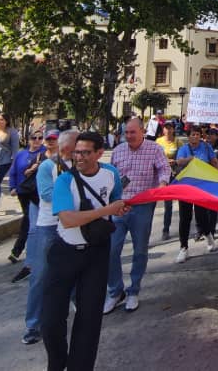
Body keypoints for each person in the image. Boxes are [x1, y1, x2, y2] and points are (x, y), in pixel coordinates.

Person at [42, 131, 126, 371]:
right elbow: (67, 219)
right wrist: (107, 210)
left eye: (85, 152)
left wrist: (118, 209)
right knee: (50, 321)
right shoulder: (64, 181)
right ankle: (57, 363)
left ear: (99, 152)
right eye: (77, 152)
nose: (79, 157)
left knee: (89, 319)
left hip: (97, 252)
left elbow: (116, 200)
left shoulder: (111, 174)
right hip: (65, 252)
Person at [105, 117, 171, 314]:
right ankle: (115, 291)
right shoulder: (117, 151)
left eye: (132, 132)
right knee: (110, 250)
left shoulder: (154, 149)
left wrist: (162, 184)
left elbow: (164, 169)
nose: (129, 136)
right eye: (126, 133)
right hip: (119, 206)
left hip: (142, 206)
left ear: (143, 131)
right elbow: (111, 177)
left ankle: (133, 290)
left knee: (140, 249)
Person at [22, 129, 74, 346]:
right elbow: (46, 194)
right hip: (50, 227)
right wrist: (78, 196)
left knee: (74, 271)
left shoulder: (80, 166)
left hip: (73, 225)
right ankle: (33, 324)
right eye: (73, 147)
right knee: (41, 275)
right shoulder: (47, 166)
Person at [175, 125, 218, 264]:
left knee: (201, 216)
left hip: (201, 187)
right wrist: (190, 159)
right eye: (192, 134)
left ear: (200, 136)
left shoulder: (206, 148)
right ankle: (183, 248)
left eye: (197, 134)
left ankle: (209, 237)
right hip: (186, 188)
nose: (194, 137)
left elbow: (214, 161)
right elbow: (179, 162)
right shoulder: (183, 149)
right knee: (185, 218)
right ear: (188, 136)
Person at [7, 129, 46, 264]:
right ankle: (20, 250)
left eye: (40, 138)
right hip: (23, 191)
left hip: (38, 192)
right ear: (28, 139)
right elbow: (13, 171)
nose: (37, 141)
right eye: (34, 138)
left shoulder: (45, 154)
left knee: (30, 220)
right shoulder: (21, 154)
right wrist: (12, 187)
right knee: (28, 219)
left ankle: (18, 250)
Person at [154, 122, 180, 241]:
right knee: (168, 204)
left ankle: (184, 226)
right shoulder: (159, 141)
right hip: (164, 176)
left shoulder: (178, 142)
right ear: (163, 130)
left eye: (170, 129)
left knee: (183, 202)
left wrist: (175, 161)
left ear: (174, 130)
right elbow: (154, 156)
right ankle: (166, 229)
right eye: (166, 128)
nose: (168, 131)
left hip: (176, 175)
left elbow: (182, 156)